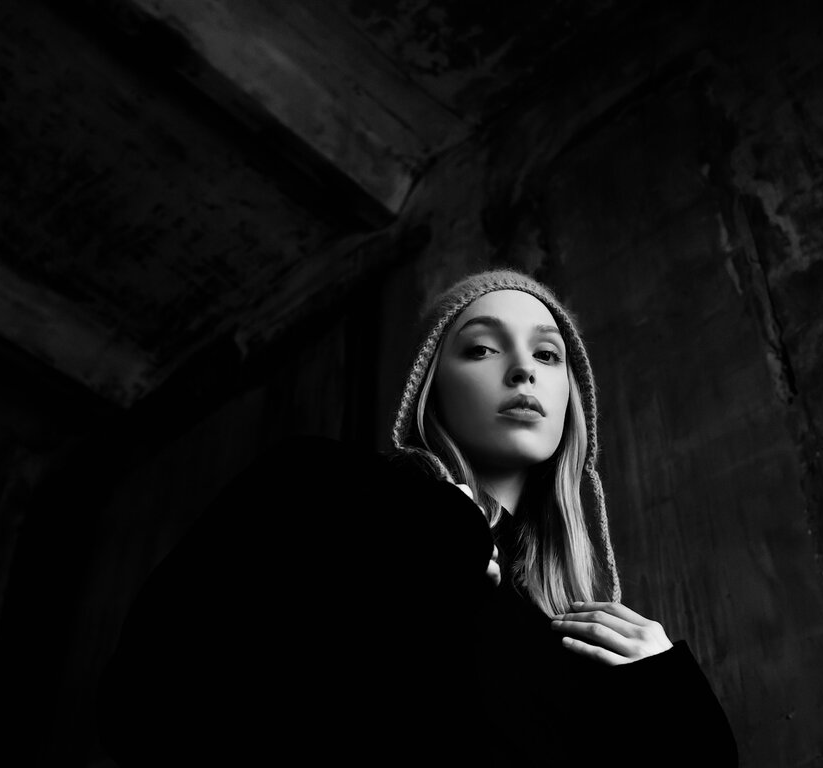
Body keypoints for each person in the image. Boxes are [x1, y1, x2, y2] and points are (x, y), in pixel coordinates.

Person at [98, 269, 737, 766]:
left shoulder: (580, 648)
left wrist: (667, 693)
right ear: (431, 387)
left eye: (548, 356)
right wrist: (440, 529)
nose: (522, 369)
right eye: (482, 348)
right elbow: (153, 691)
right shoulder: (326, 487)